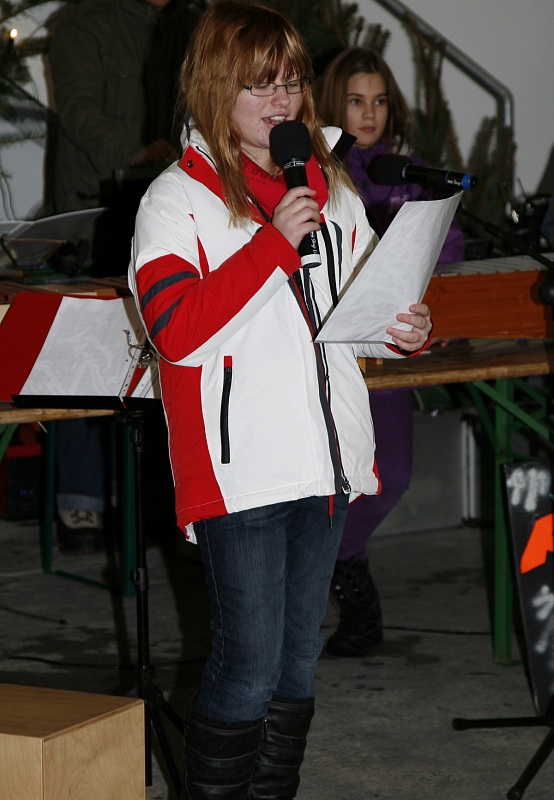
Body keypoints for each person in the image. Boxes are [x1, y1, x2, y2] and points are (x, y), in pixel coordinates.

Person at [129, 3, 434, 797]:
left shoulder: (328, 185)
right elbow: (173, 331)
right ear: (214, 88)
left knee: (296, 668)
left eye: (292, 82)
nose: (282, 100)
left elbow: (357, 312)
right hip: (242, 472)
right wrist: (272, 245)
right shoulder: (176, 199)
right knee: (247, 666)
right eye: (259, 84)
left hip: (324, 460)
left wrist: (402, 329)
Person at [316, 46, 466, 657]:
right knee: (327, 478)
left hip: (390, 345)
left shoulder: (411, 172)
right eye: (356, 101)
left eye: (379, 101)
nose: (369, 113)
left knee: (392, 475)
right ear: (333, 105)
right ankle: (350, 592)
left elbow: (446, 243)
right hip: (330, 348)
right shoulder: (318, 172)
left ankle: (338, 558)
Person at [46, 0, 197, 553]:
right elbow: (79, 110)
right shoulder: (83, 21)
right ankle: (81, 499)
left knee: (168, 347)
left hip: (175, 211)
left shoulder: (195, 20)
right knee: (86, 354)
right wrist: (137, 155)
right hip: (96, 214)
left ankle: (153, 500)